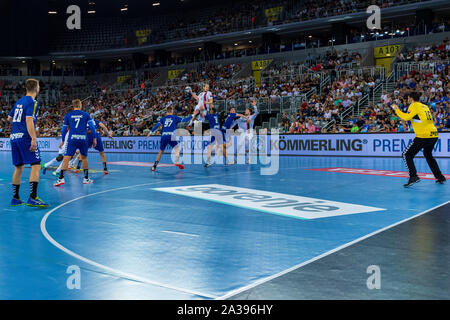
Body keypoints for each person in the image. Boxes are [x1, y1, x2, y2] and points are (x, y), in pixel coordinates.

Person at [7, 78, 49, 207]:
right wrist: (33, 138)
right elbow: (29, 120)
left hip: (14, 137)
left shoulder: (19, 101)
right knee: (36, 164)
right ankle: (33, 197)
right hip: (25, 137)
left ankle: (15, 198)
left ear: (26, 88)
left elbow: (9, 118)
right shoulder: (33, 102)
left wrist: (17, 128)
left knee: (18, 167)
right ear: (37, 88)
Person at [392, 91, 446, 187]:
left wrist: (396, 109)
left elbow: (406, 117)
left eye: (408, 98)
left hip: (423, 135)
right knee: (428, 155)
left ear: (411, 99)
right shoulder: (424, 106)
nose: (408, 100)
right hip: (433, 134)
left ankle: (413, 176)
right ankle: (440, 177)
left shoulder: (414, 105)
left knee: (406, 154)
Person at [54, 99, 97, 187]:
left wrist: (62, 140)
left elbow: (63, 130)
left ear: (73, 106)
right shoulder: (86, 114)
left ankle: (61, 179)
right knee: (84, 158)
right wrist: (94, 138)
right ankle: (86, 179)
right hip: (83, 138)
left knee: (66, 158)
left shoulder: (68, 115)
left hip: (72, 139)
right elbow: (92, 127)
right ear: (80, 105)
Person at [147, 107, 193, 172]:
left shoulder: (163, 118)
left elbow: (157, 125)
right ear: (171, 111)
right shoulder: (174, 117)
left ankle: (154, 166)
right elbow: (185, 120)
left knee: (161, 151)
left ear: (166, 112)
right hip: (171, 135)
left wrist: (150, 132)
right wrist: (193, 115)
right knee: (177, 149)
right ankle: (176, 161)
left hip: (164, 136)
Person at [233, 99, 259, 164]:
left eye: (247, 110)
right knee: (238, 147)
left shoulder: (251, 117)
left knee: (247, 143)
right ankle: (235, 159)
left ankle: (248, 158)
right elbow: (235, 122)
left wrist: (254, 106)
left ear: (249, 112)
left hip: (249, 132)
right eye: (245, 110)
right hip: (243, 133)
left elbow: (256, 113)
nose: (245, 111)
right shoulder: (242, 118)